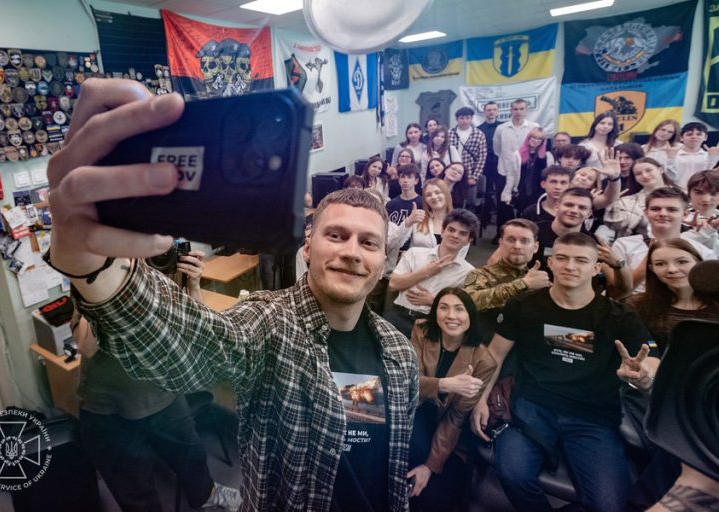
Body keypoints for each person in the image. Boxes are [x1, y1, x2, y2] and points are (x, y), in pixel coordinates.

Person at [46, 79, 419, 512]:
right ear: (307, 247)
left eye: (368, 243)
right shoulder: (269, 326)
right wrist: (95, 264)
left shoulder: (399, 355)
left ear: (384, 261)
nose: (352, 251)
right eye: (336, 235)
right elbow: (191, 343)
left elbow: (371, 447)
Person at [470, 232, 659, 512]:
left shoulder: (620, 316)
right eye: (562, 258)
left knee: (608, 505)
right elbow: (494, 354)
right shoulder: (523, 305)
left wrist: (644, 376)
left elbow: (650, 359)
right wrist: (480, 399)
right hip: (531, 407)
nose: (570, 266)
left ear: (596, 268)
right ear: (551, 263)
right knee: (513, 475)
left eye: (581, 260)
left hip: (592, 417)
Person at [72, 246, 241, 512]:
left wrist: (193, 285)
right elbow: (85, 346)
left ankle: (207, 496)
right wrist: (112, 290)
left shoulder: (163, 266)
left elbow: (195, 328)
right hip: (107, 406)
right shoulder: (94, 272)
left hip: (163, 393)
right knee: (134, 489)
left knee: (192, 455)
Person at [407, 288, 497, 511]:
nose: (451, 316)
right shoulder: (421, 330)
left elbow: (456, 417)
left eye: (459, 309)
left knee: (434, 488)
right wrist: (445, 384)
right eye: (444, 308)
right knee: (407, 458)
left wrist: (430, 466)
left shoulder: (484, 361)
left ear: (470, 316)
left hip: (447, 423)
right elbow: (409, 381)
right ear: (435, 312)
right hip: (415, 407)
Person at [606, 187, 715, 295]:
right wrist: (647, 261)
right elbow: (615, 293)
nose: (663, 213)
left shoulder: (700, 250)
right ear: (646, 212)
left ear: (685, 214)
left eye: (672, 209)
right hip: (634, 303)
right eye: (655, 209)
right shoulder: (624, 244)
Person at [386, 209, 478, 337]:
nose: (455, 235)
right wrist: (426, 271)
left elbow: (463, 308)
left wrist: (434, 301)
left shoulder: (469, 272)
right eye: (451, 230)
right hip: (399, 315)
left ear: (469, 240)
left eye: (463, 233)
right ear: (442, 231)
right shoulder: (414, 253)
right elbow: (393, 285)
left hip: (432, 322)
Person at [463, 218, 549, 342]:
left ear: (535, 247)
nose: (517, 246)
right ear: (501, 243)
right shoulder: (482, 274)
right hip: (487, 346)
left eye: (524, 241)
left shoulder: (540, 281)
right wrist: (523, 284)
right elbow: (468, 302)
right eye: (511, 240)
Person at [629, 239, 719, 354]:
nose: (672, 269)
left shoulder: (716, 304)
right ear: (652, 269)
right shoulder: (637, 305)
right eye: (660, 264)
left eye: (682, 262)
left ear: (698, 263)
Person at [601, 157, 678, 242]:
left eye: (649, 170)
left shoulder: (683, 195)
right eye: (638, 174)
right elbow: (615, 225)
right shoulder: (627, 202)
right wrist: (614, 201)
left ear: (660, 170)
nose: (645, 175)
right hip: (639, 245)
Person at [493, 99, 539, 235]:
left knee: (523, 204)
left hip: (525, 173)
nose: (518, 112)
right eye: (515, 109)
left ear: (526, 110)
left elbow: (537, 147)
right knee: (503, 204)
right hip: (504, 171)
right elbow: (497, 149)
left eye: (521, 109)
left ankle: (522, 233)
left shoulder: (533, 127)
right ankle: (501, 233)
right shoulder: (501, 128)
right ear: (511, 110)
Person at [500, 127, 549, 214]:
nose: (536, 141)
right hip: (522, 191)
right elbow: (511, 175)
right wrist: (507, 194)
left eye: (539, 139)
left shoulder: (546, 156)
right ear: (528, 138)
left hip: (539, 191)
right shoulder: (517, 155)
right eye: (534, 137)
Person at [449, 106, 487, 207]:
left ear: (471, 118)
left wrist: (475, 177)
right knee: (452, 201)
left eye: (467, 118)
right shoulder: (450, 133)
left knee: (468, 203)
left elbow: (482, 157)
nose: (465, 121)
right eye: (462, 118)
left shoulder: (479, 134)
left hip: (469, 174)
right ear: (457, 119)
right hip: (452, 173)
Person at [405, 178, 455, 249]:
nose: (433, 197)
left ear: (446, 193)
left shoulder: (459, 222)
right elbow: (395, 243)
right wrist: (408, 223)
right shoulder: (418, 219)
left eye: (437, 192)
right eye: (428, 195)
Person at [669, 122, 719, 189]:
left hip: (702, 190)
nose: (694, 137)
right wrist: (671, 158)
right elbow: (671, 176)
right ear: (681, 137)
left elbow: (709, 176)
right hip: (677, 190)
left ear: (705, 137)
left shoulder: (709, 156)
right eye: (689, 134)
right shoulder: (674, 154)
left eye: (699, 134)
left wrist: (713, 157)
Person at [478, 101, 503, 232]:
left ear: (498, 111)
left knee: (500, 192)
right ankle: (485, 218)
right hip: (485, 165)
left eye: (494, 109)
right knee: (486, 192)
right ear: (485, 112)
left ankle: (500, 222)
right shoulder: (479, 129)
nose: (491, 112)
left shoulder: (503, 127)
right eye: (489, 110)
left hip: (501, 165)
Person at [682, 169, 719, 258]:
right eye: (699, 192)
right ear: (689, 193)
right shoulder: (678, 219)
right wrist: (705, 231)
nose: (706, 199)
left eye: (714, 193)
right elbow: (672, 245)